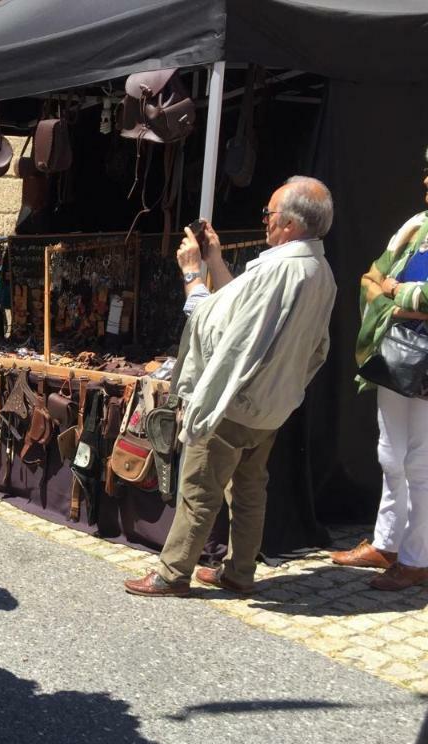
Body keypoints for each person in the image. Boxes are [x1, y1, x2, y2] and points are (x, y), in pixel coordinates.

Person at [125, 176, 338, 597]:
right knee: (249, 487)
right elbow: (251, 315)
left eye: (269, 215)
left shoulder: (280, 270)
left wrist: (192, 278)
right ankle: (239, 571)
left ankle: (172, 573)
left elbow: (216, 327)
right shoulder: (319, 270)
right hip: (270, 404)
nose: (265, 222)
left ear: (291, 224)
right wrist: (216, 262)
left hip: (234, 401)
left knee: (200, 488)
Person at [332, 152, 428, 590]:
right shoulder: (414, 225)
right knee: (390, 452)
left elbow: (391, 289)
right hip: (399, 348)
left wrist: (397, 293)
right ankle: (388, 543)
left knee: (422, 461)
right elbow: (370, 278)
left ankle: (417, 557)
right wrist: (402, 299)